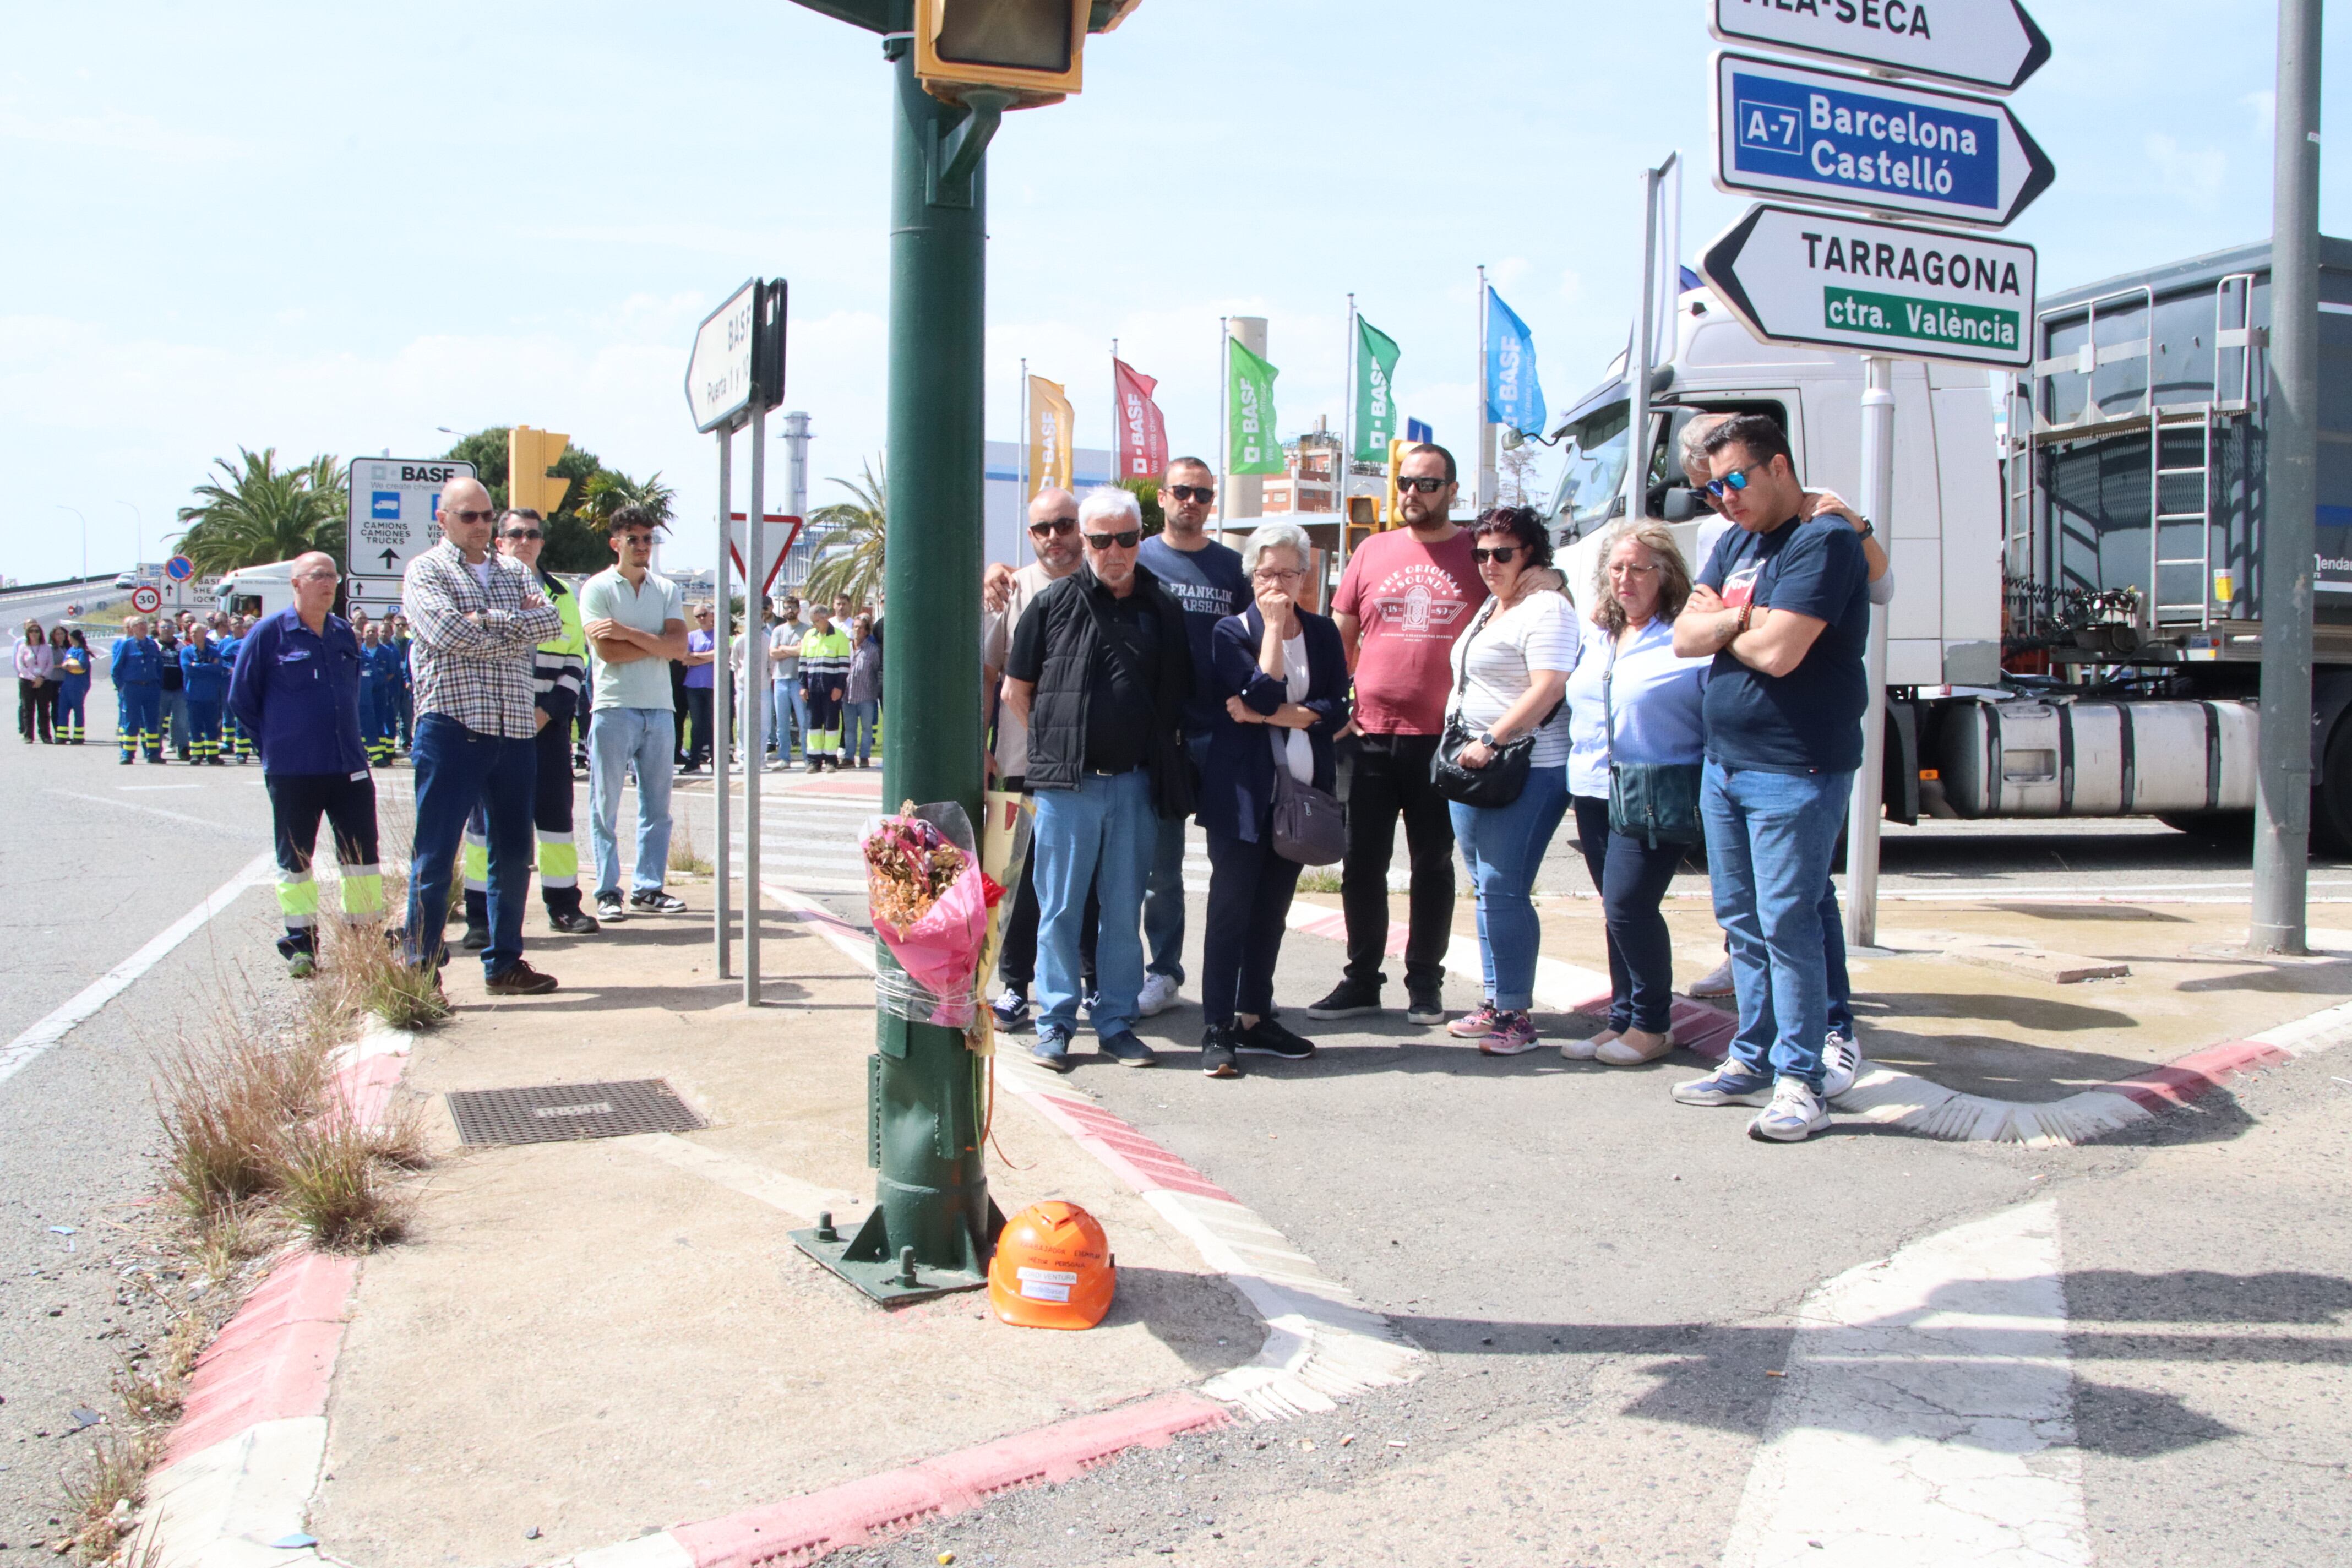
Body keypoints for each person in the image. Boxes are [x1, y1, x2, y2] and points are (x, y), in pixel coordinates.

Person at [1670, 414, 1873, 1143]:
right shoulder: (1735, 542)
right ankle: (1751, 1057)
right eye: (1713, 488)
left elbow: (1784, 652)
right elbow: (1683, 637)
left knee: (1788, 922)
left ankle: (1802, 1080)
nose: (1723, 498)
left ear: (1779, 468)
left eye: (1735, 481)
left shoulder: (1826, 540)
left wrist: (1729, 622)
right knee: (1743, 923)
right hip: (1724, 762)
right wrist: (1737, 622)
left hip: (1797, 764)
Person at [1000, 486, 1192, 1072]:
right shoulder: (1051, 605)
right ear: (1085, 541)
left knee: (1122, 907)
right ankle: (1056, 1024)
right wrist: (1059, 746)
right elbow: (1015, 691)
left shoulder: (1162, 607)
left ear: (1141, 538)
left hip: (1135, 786)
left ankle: (1114, 1022)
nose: (1114, 550)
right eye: (1102, 539)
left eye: (1127, 538)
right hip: (1066, 788)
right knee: (1058, 909)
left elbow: (1178, 696)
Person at [1310, 443, 1487, 1026]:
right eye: (1406, 482)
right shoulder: (1372, 550)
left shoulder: (1476, 553)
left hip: (1443, 739)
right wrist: (1338, 705)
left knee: (1432, 864)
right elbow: (1340, 637)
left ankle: (1425, 983)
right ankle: (1362, 978)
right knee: (1362, 862)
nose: (1413, 493)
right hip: (1370, 735)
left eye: (1428, 484)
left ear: (1452, 492)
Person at [399, 475, 564, 995]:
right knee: (436, 854)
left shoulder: (515, 570)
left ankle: (505, 962)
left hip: (514, 730)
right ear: (443, 519)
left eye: (487, 516)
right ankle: (422, 969)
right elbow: (445, 632)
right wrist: (510, 626)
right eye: (468, 516)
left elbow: (550, 622)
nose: (479, 525)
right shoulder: (425, 571)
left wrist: (485, 622)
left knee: (514, 853)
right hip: (452, 727)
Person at [1196, 522, 1350, 1079]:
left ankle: (1255, 1015)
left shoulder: (1326, 633)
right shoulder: (1230, 632)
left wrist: (1279, 716)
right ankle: (1218, 1027)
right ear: (1251, 577)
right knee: (1231, 910)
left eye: (1288, 572)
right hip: (1242, 797)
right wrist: (1274, 634)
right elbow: (1259, 688)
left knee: (1271, 914)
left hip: (1302, 798)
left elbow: (1339, 708)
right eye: (1266, 573)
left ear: (1306, 576)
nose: (1277, 584)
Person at [1558, 519, 1711, 1066]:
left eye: (1638, 568)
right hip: (1595, 787)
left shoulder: (1685, 636)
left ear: (1665, 574)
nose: (1625, 578)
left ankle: (1652, 1024)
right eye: (1616, 568)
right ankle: (1622, 1017)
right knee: (1614, 907)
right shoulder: (1599, 633)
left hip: (1657, 786)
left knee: (1629, 905)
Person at [1433, 506, 1577, 1055]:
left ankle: (1516, 1014)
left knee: (1504, 888)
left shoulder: (1547, 607)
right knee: (1488, 888)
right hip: (1474, 766)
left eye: (1503, 553)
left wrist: (1491, 739)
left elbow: (1548, 688)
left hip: (1525, 766)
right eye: (1481, 553)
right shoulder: (1497, 604)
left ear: (1532, 554)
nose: (1489, 563)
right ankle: (1496, 1000)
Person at [228, 553, 383, 978]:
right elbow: (242, 700)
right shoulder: (268, 635)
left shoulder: (342, 635)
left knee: (363, 857)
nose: (328, 583)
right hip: (293, 771)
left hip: (348, 766)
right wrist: (275, 748)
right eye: (318, 576)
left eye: (333, 576)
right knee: (296, 858)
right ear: (296, 584)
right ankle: (301, 944)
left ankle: (364, 936)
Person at [1132, 456, 1249, 1017]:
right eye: (1183, 491)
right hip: (1164, 738)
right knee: (1161, 869)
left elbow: (1259, 639)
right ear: (1162, 496)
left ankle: (1236, 980)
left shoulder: (1232, 566)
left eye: (1203, 494)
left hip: (1224, 735)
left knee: (1234, 866)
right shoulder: (1140, 558)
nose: (1192, 502)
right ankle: (1164, 970)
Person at [985, 488, 1098, 1032]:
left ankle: (1093, 982)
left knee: (1091, 880)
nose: (1054, 536)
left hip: (1088, 765)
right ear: (1029, 536)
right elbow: (990, 676)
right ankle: (1013, 986)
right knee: (1016, 880)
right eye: (1042, 528)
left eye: (1064, 524)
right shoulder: (1011, 590)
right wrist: (978, 744)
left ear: (1081, 527)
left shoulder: (1107, 582)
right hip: (1018, 761)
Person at [460, 509, 599, 941]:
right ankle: (481, 919)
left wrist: (550, 711)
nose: (524, 540)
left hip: (547, 726)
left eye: (533, 534)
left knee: (556, 820)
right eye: (515, 533)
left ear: (542, 542)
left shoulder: (562, 595)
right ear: (498, 541)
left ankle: (563, 905)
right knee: (484, 827)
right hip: (493, 726)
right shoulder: (483, 588)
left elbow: (577, 658)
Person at [578, 505, 692, 923]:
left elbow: (678, 648)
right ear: (616, 543)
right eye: (634, 539)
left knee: (658, 807)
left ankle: (649, 888)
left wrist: (627, 632)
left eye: (648, 538)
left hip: (660, 709)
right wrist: (653, 643)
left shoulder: (665, 590)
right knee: (605, 804)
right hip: (613, 706)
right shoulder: (597, 589)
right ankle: (608, 890)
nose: (642, 546)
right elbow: (606, 652)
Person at [797, 603, 851, 771]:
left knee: (831, 725)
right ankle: (814, 760)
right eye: (812, 622)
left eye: (817, 621)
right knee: (813, 725)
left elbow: (844, 666)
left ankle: (830, 760)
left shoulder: (840, 637)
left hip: (831, 690)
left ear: (826, 618)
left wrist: (839, 687)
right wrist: (803, 686)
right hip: (813, 689)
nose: (815, 625)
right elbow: (803, 664)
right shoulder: (809, 636)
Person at [107, 615, 164, 764]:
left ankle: (153, 754)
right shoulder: (127, 645)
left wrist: (158, 684)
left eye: (144, 624)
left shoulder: (152, 645)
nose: (143, 627)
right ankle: (128, 754)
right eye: (139, 625)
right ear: (132, 629)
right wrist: (121, 687)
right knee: (131, 722)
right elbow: (116, 669)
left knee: (152, 722)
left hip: (151, 688)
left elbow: (159, 666)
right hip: (133, 688)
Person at [179, 623, 231, 764]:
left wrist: (197, 666)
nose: (194, 635)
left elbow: (218, 669)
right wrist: (207, 667)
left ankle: (213, 755)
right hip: (193, 696)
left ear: (205, 634)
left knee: (211, 727)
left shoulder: (214, 652)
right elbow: (188, 670)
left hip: (211, 696)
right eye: (192, 633)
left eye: (197, 632)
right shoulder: (186, 652)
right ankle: (196, 754)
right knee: (195, 726)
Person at [767, 595, 808, 768]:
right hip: (780, 680)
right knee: (782, 722)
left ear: (798, 610)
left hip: (799, 680)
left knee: (803, 721)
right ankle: (784, 757)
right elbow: (773, 653)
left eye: (792, 607)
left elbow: (803, 651)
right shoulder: (778, 630)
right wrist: (792, 650)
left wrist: (783, 649)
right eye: (786, 608)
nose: (789, 611)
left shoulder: (807, 630)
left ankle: (809, 758)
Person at [679, 604, 718, 772]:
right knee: (697, 725)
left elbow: (720, 654)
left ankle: (716, 761)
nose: (701, 618)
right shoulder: (691, 636)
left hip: (713, 685)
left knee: (713, 724)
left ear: (711, 615)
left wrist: (696, 656)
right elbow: (684, 659)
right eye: (698, 616)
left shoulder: (719, 634)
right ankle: (694, 760)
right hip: (693, 685)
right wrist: (708, 657)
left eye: (704, 614)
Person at [357, 623, 400, 766]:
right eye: (368, 632)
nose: (371, 634)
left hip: (374, 696)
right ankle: (361, 754)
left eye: (373, 632)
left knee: (375, 725)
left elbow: (383, 675)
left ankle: (379, 756)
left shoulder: (371, 657)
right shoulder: (347, 657)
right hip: (354, 700)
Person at [843, 612, 881, 768]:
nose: (858, 630)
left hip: (866, 695)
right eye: (855, 627)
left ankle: (864, 757)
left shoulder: (873, 650)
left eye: (861, 628)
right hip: (848, 696)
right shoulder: (846, 647)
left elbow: (877, 670)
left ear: (867, 631)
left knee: (866, 729)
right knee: (849, 729)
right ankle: (849, 758)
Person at [217, 615, 252, 762]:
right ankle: (241, 753)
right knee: (237, 717)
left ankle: (255, 747)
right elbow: (222, 658)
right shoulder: (238, 644)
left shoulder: (261, 643)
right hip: (238, 686)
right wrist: (231, 668)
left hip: (254, 686)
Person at [15, 619, 55, 744]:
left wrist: (42, 678)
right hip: (27, 681)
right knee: (28, 708)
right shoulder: (23, 647)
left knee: (44, 708)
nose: (34, 633)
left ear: (40, 633)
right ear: (28, 633)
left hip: (43, 681)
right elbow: (20, 665)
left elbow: (50, 664)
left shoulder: (46, 647)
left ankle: (45, 735)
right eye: (31, 631)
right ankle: (28, 735)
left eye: (36, 631)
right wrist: (33, 678)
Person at [156, 625, 189, 758]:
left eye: (170, 627)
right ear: (159, 630)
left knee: (181, 721)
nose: (167, 629)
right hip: (160, 689)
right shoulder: (154, 645)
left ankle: (183, 748)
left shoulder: (181, 646)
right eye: (164, 627)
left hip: (179, 689)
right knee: (158, 721)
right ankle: (155, 749)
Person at [53, 628, 91, 745]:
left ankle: (79, 736)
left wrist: (70, 666)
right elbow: (65, 664)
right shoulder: (70, 650)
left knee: (78, 709)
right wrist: (68, 666)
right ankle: (62, 736)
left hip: (78, 684)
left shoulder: (82, 652)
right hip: (67, 684)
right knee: (63, 709)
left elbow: (82, 666)